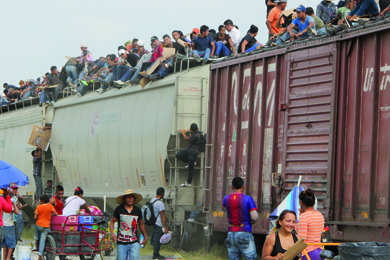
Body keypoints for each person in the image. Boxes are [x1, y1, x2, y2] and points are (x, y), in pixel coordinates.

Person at [223, 177, 258, 260]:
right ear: (244, 186)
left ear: (232, 187)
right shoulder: (248, 199)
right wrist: (251, 222)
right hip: (244, 232)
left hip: (231, 233)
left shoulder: (226, 198)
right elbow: (254, 217)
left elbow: (227, 210)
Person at [111, 189, 147, 260]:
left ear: (134, 199)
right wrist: (112, 234)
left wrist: (145, 237)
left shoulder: (137, 210)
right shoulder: (119, 209)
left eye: (132, 197)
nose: (130, 199)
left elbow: (141, 224)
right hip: (121, 242)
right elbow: (112, 221)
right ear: (124, 199)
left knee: (134, 257)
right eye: (128, 197)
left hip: (134, 241)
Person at [297, 189, 325, 260]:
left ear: (301, 202)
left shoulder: (304, 217)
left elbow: (301, 240)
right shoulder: (319, 214)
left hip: (307, 253)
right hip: (319, 251)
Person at [34, 195, 57, 260]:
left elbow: (35, 217)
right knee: (42, 241)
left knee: (36, 226)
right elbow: (56, 213)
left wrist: (39, 219)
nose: (40, 201)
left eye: (40, 200)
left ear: (42, 201)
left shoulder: (38, 207)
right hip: (46, 226)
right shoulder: (50, 206)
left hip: (39, 225)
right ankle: (40, 256)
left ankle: (36, 239)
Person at [150, 187, 169, 260]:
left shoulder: (152, 200)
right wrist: (165, 227)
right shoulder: (160, 203)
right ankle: (155, 255)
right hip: (158, 223)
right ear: (162, 194)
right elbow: (163, 215)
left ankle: (156, 253)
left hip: (153, 222)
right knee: (158, 239)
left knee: (156, 238)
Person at [2, 195, 19, 260]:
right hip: (9, 225)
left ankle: (4, 258)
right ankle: (8, 257)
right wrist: (14, 204)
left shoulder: (2, 204)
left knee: (5, 243)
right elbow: (17, 212)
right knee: (11, 243)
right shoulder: (9, 206)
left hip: (3, 225)